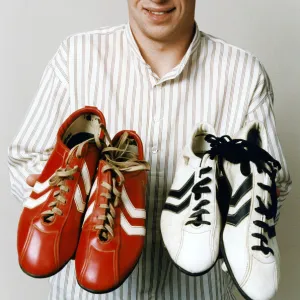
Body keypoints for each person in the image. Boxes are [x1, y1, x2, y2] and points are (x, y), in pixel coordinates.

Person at [8, 0, 291, 299]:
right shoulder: (75, 57)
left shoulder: (245, 75)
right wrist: (69, 190)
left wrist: (227, 203)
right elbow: (26, 159)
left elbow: (274, 189)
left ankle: (199, 203)